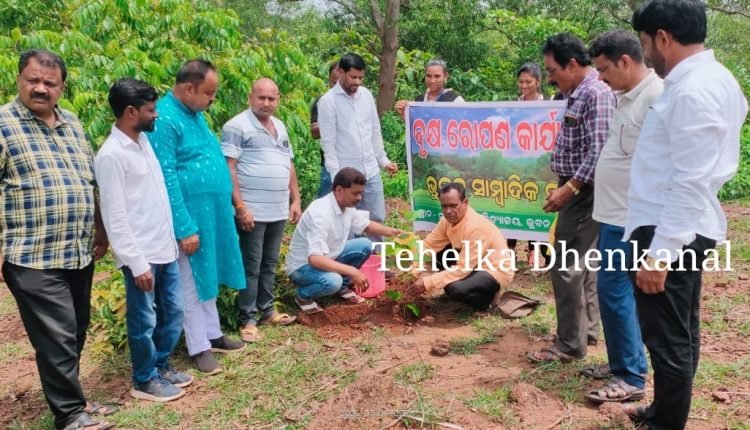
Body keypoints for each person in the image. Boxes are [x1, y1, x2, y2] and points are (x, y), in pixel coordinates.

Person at [624, 1, 747, 428]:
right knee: (680, 330)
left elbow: (690, 180)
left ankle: (666, 423)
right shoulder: (713, 79)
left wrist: (659, 255)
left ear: (663, 38)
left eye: (645, 43)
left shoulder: (693, 91)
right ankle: (663, 411)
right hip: (681, 225)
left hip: (669, 229)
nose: (646, 54)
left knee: (667, 338)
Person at [0, 50, 114, 430]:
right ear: (19, 79)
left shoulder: (73, 123)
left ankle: (75, 399)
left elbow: (88, 182)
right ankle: (70, 415)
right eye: (33, 80)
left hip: (77, 250)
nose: (40, 88)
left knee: (76, 328)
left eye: (49, 83)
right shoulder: (3, 124)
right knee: (57, 336)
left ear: (62, 87)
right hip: (31, 254)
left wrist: (100, 229)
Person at [96, 78, 192, 402]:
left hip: (164, 246)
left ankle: (161, 365)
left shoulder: (143, 142)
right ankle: (144, 379)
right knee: (143, 321)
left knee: (173, 312)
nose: (156, 115)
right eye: (151, 110)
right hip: (142, 254)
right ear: (130, 112)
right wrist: (136, 263)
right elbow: (115, 215)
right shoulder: (111, 156)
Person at [581, 30, 663, 404]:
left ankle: (630, 375)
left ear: (625, 61)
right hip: (613, 213)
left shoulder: (656, 98)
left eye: (603, 69)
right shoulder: (625, 98)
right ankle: (621, 364)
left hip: (631, 218)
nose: (600, 78)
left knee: (615, 292)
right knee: (613, 291)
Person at [148, 59, 246, 375]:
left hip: (211, 214)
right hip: (189, 218)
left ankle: (213, 334)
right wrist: (184, 226)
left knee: (208, 274)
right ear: (189, 88)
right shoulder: (165, 119)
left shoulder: (195, 114)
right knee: (190, 282)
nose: (212, 99)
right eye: (209, 93)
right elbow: (166, 176)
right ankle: (198, 346)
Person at [528, 33, 616, 364]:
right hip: (580, 187)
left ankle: (569, 343)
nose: (550, 78)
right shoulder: (576, 93)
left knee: (565, 264)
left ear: (573, 65)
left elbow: (600, 150)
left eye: (552, 71)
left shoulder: (596, 94)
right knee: (585, 262)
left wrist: (570, 188)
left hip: (585, 189)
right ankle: (586, 330)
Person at [222, 78, 301, 343]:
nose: (266, 103)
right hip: (252, 211)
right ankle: (248, 318)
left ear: (278, 100)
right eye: (261, 97)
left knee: (269, 263)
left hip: (277, 209)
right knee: (251, 265)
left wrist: (295, 200)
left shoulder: (280, 126)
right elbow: (229, 167)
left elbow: (288, 164)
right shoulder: (236, 126)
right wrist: (240, 207)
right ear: (251, 98)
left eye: (271, 98)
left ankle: (267, 310)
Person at [285, 168, 402, 314]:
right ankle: (303, 296)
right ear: (339, 190)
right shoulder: (320, 213)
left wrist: (394, 232)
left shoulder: (346, 207)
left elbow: (366, 225)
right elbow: (315, 259)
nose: (359, 197)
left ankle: (342, 288)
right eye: (355, 193)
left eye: (360, 193)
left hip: (329, 256)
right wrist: (352, 271)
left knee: (365, 245)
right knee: (333, 281)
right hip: (302, 267)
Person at [317, 53, 398, 243]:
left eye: (361, 77)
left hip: (370, 170)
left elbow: (374, 130)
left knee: (377, 217)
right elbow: (328, 145)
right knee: (348, 224)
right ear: (341, 72)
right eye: (353, 77)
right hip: (347, 174)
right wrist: (337, 178)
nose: (357, 82)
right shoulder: (328, 102)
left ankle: (376, 258)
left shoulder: (366, 95)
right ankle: (352, 259)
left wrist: (383, 160)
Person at [404, 183, 514, 311]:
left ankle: (489, 300)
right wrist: (414, 271)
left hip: (494, 270)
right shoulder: (446, 221)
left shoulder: (475, 227)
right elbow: (428, 245)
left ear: (465, 203)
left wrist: (427, 282)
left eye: (453, 205)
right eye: (444, 206)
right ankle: (472, 286)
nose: (448, 211)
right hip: (473, 263)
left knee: (454, 288)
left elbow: (463, 268)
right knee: (437, 254)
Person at [506, 62, 551, 269]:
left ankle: (537, 253)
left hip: (540, 165)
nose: (524, 85)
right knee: (514, 204)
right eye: (521, 81)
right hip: (516, 163)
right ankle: (510, 251)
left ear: (538, 82)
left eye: (528, 82)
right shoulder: (512, 107)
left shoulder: (549, 105)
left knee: (537, 207)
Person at [394, 59, 464, 120]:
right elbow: (415, 127)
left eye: (437, 76)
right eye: (428, 76)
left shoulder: (455, 100)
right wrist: (403, 114)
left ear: (445, 76)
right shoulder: (419, 101)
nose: (432, 81)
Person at [311, 62, 341, 197]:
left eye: (340, 83)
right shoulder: (322, 101)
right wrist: (334, 123)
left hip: (354, 163)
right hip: (329, 164)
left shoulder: (358, 102)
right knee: (325, 202)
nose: (336, 87)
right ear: (329, 80)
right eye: (333, 83)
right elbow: (314, 132)